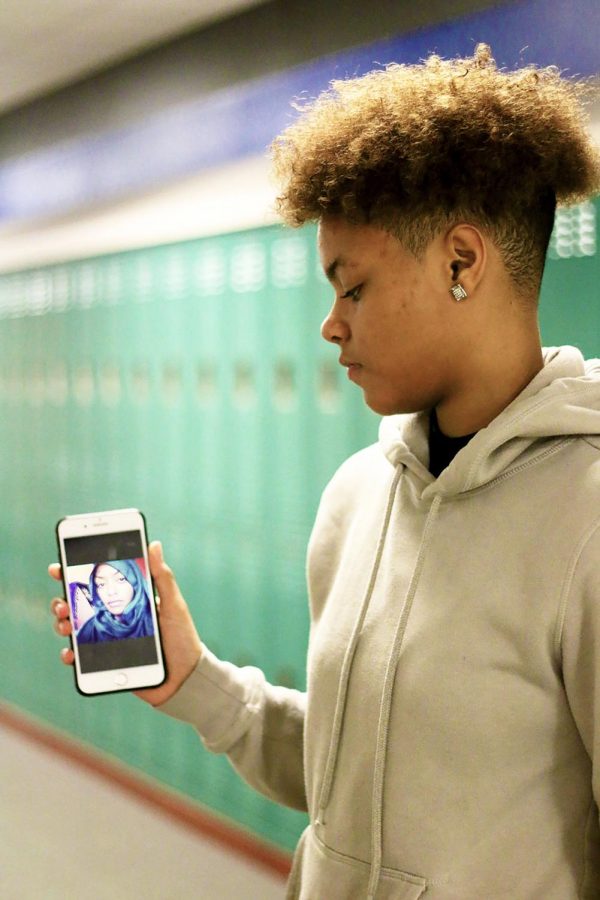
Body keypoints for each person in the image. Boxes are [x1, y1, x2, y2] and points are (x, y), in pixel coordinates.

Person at [50, 44, 600, 898]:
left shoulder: (587, 516)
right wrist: (196, 682)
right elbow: (356, 784)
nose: (329, 326)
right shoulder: (357, 497)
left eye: (352, 288)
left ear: (462, 263)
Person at [73, 560, 154, 644]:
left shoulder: (155, 620)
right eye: (101, 584)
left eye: (121, 579)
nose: (111, 592)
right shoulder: (89, 631)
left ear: (136, 583)